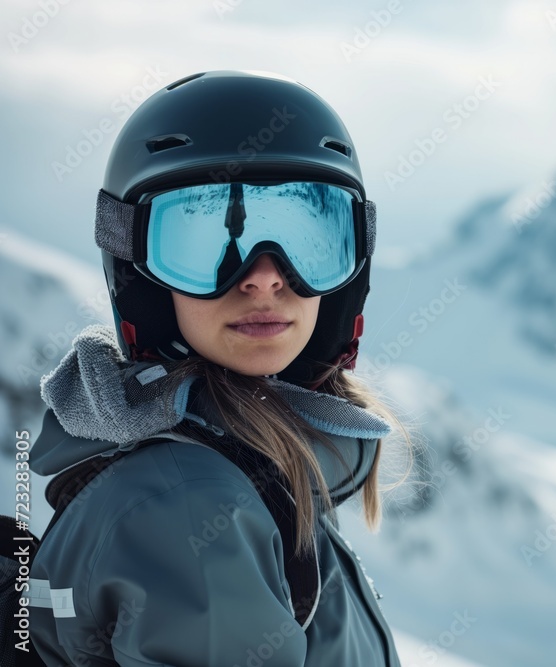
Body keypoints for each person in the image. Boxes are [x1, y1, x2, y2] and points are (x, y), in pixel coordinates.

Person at [26, 70, 413, 666]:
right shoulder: (192, 502)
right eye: (206, 242)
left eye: (307, 235)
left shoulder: (235, 471)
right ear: (140, 273)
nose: (264, 275)